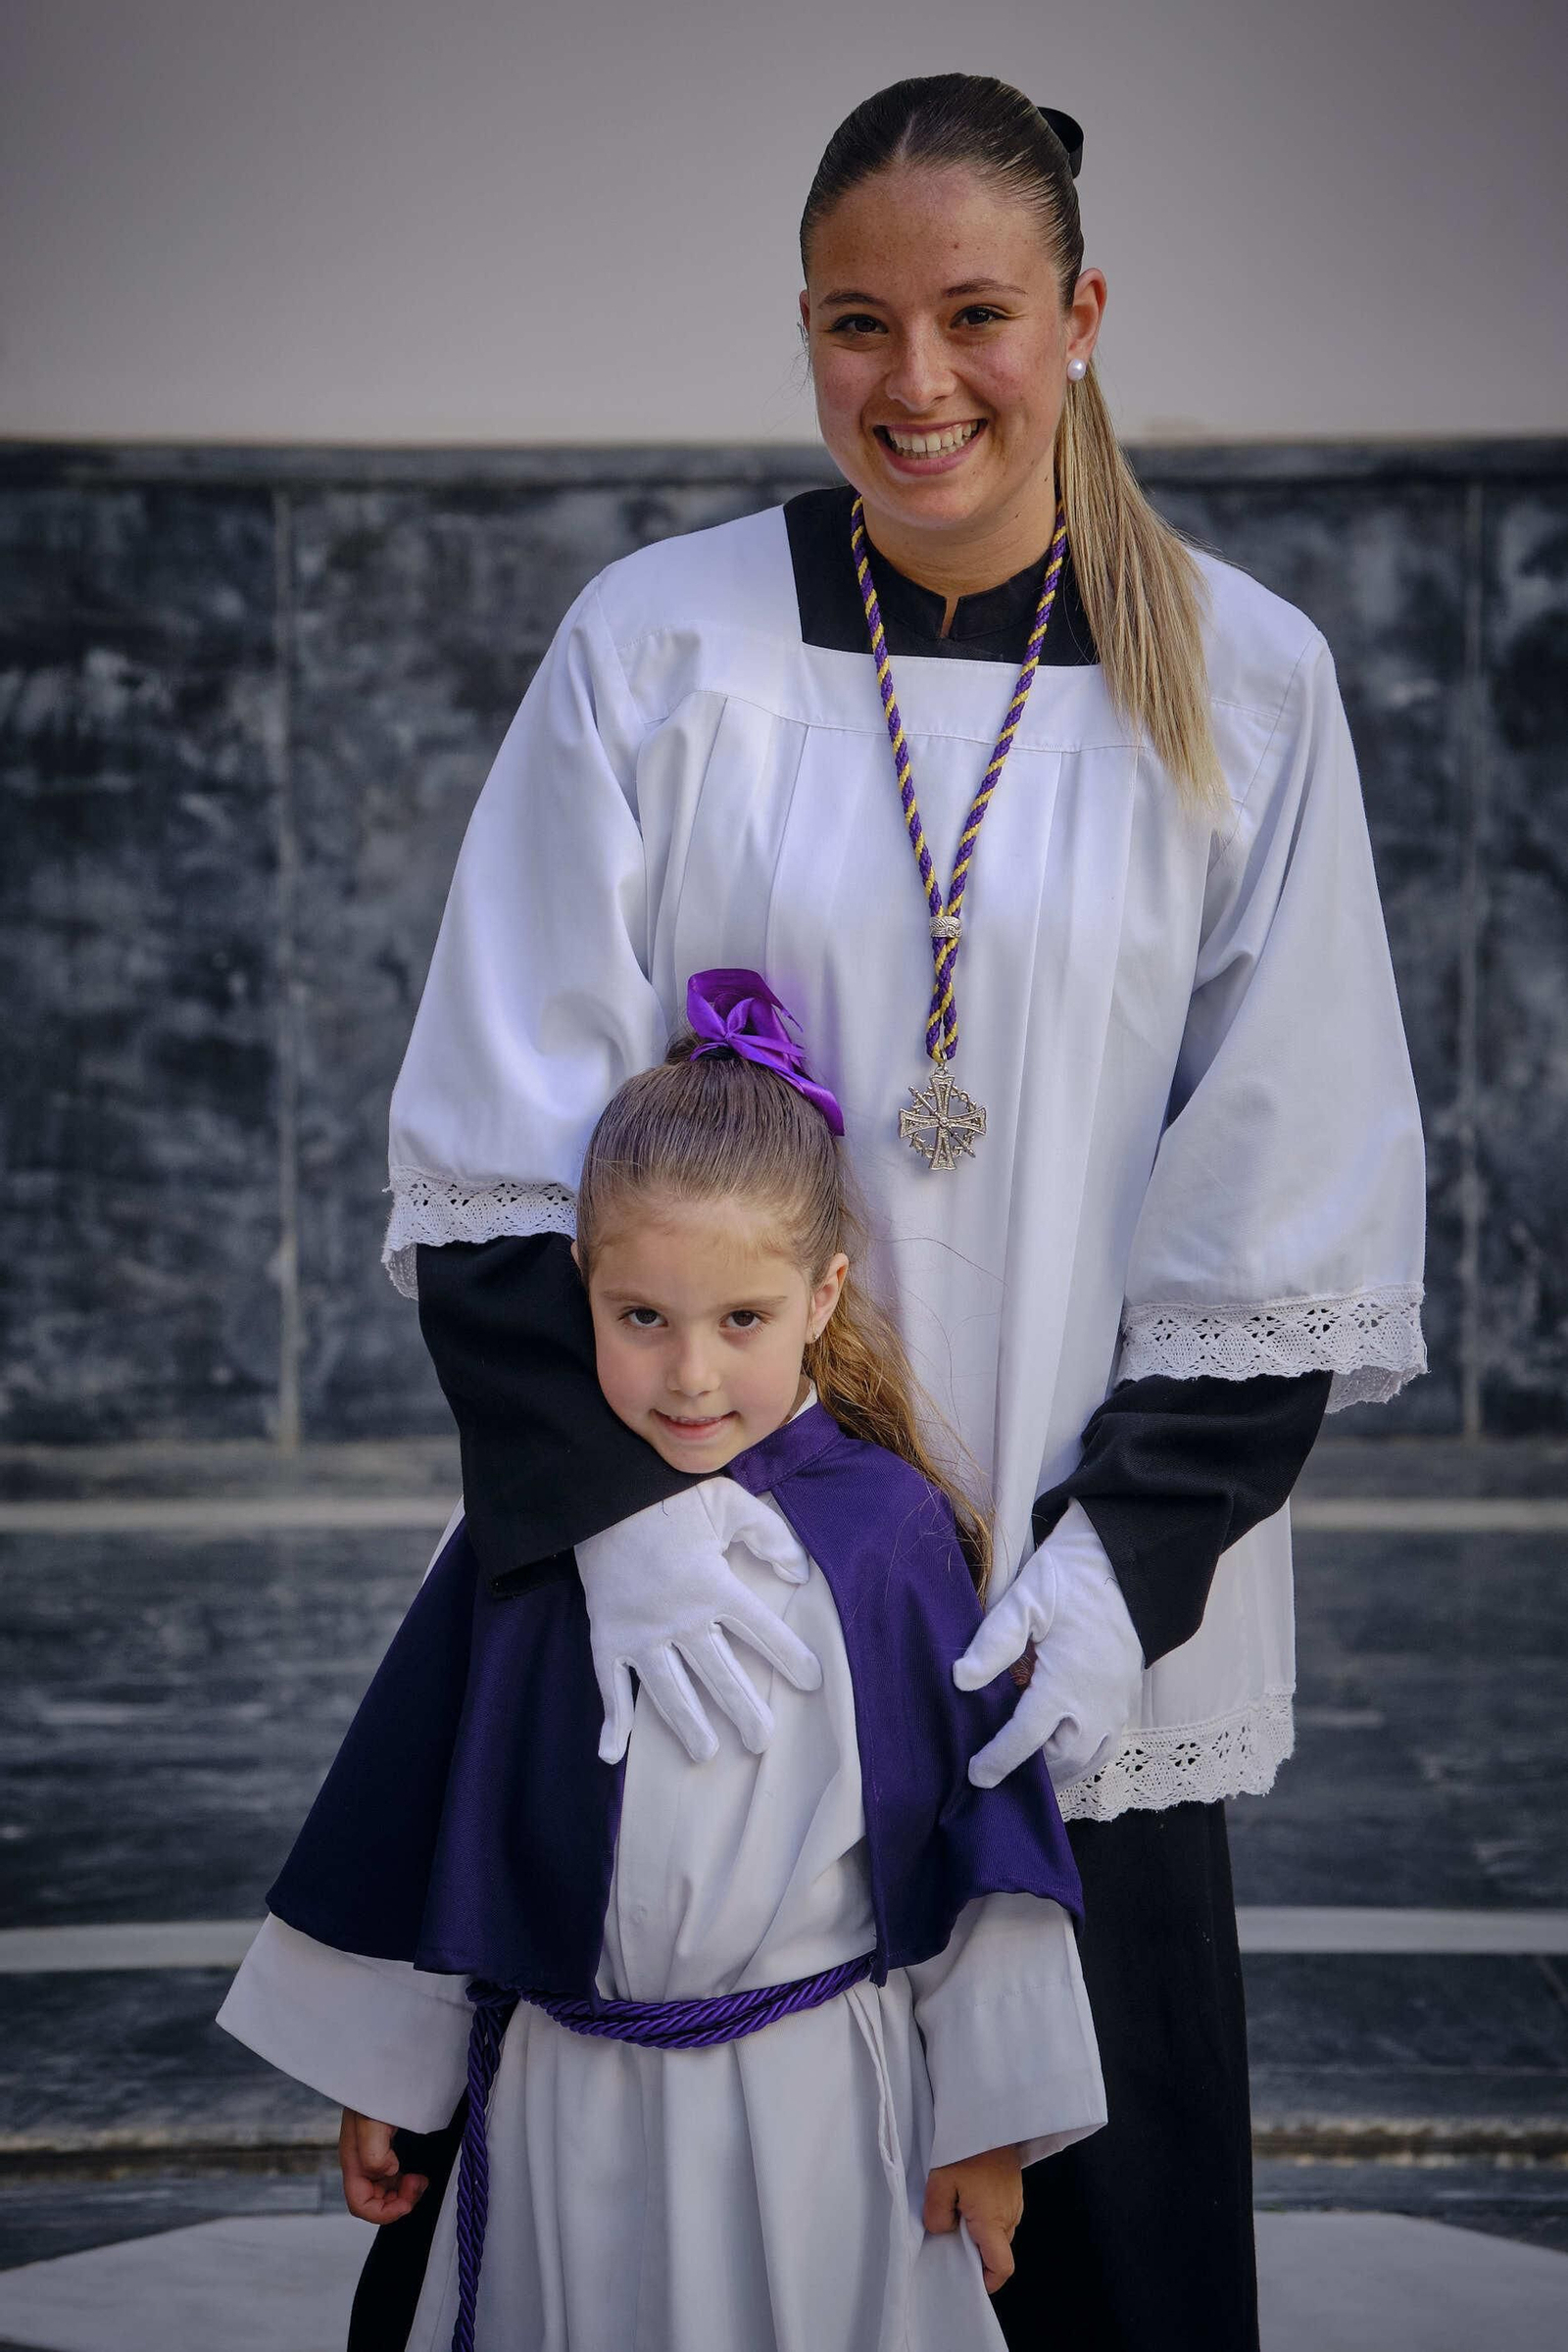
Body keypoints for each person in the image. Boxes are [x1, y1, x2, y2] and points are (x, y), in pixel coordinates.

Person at [338, 74, 1426, 2352]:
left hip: (1057, 1632)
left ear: (1079, 317)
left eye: (972, 315)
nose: (912, 380)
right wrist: (625, 1524)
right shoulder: (660, 647)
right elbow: (497, 1140)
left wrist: (1113, 1582)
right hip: (693, 1604)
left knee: (1090, 2274)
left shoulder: (1239, 681)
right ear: (805, 329)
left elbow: (1286, 1188)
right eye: (854, 322)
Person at [220, 975, 1106, 2352]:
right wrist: (385, 2067)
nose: (690, 1375)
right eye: (641, 1318)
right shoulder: (539, 1529)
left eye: (741, 1320)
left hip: (817, 2110)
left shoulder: (885, 1536)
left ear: (823, 1295)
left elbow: (977, 1833)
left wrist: (990, 2126)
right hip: (568, 2104)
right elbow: (428, 1799)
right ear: (579, 1289)